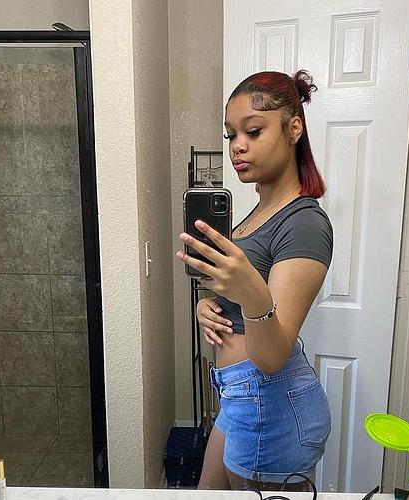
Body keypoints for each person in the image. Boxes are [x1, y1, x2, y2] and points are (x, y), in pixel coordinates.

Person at [176, 70, 333, 492]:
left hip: (272, 404)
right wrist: (207, 307)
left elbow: (271, 355)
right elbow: (238, 299)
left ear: (293, 129)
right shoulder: (255, 215)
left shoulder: (304, 223)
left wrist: (250, 294)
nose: (237, 146)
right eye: (231, 135)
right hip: (238, 397)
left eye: (253, 131)